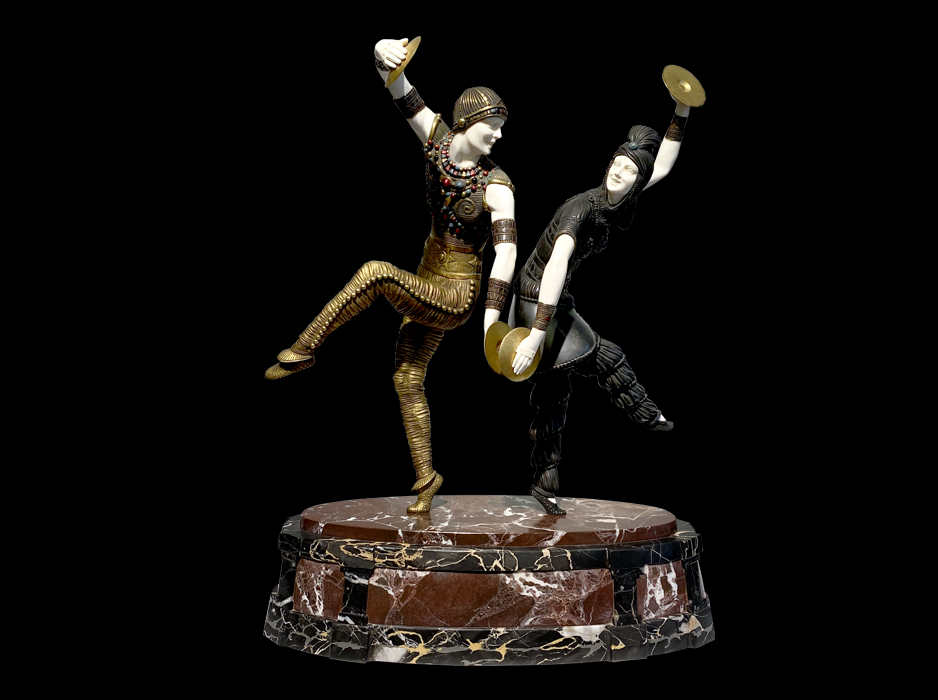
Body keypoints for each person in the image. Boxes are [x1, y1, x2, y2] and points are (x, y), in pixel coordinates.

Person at [263, 38, 521, 515]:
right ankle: (426, 479)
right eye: (493, 126)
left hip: (456, 293)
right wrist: (381, 52)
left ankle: (303, 349)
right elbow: (399, 88)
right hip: (427, 276)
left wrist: (491, 320)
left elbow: (507, 252)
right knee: (406, 377)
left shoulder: (497, 188)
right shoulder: (438, 141)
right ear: (468, 123)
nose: (499, 136)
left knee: (377, 273)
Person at [503, 97, 695, 516]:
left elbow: (661, 166)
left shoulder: (621, 200)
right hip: (537, 297)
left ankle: (544, 483)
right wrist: (535, 335)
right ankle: (648, 417)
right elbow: (556, 263)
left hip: (555, 297)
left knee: (555, 389)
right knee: (606, 356)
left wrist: (681, 111)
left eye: (628, 169)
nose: (618, 171)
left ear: (636, 181)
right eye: (616, 164)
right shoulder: (583, 207)